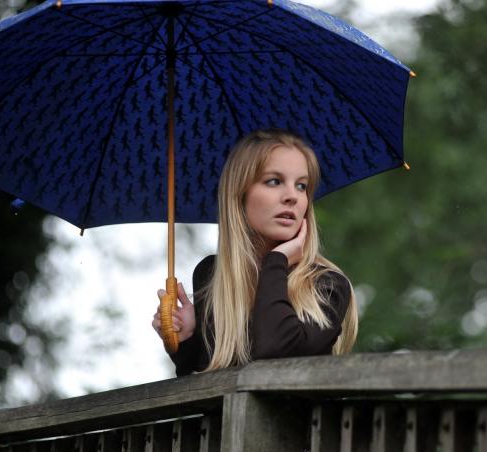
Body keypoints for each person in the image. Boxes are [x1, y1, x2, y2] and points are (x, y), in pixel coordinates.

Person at [152, 129, 358, 376]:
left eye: (301, 186)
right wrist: (186, 343)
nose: (292, 196)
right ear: (240, 194)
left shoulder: (326, 285)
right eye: (274, 181)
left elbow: (275, 352)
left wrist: (277, 261)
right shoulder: (212, 275)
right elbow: (210, 378)